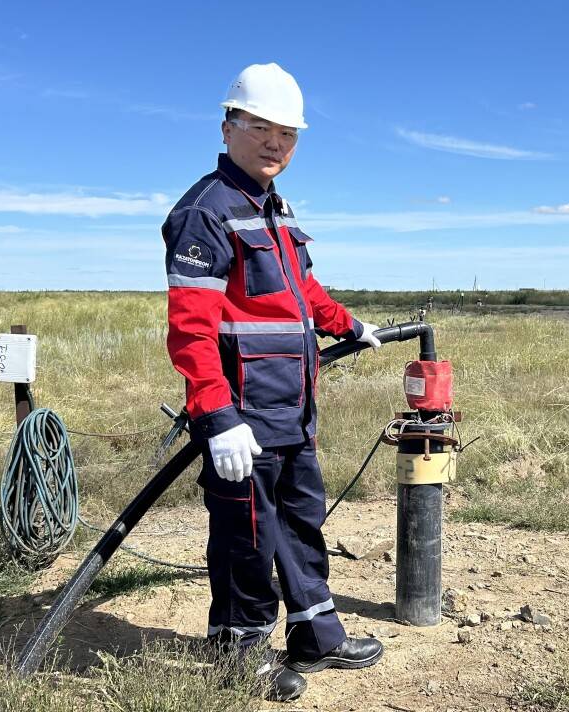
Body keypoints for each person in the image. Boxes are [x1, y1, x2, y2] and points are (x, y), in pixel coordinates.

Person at [160, 62, 384, 702]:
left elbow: (301, 290)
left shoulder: (275, 209)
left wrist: (348, 324)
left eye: (287, 133)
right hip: (242, 413)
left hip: (293, 406)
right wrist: (215, 414)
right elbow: (191, 330)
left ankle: (316, 632)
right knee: (247, 537)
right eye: (260, 126)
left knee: (302, 520)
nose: (274, 143)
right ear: (228, 126)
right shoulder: (205, 213)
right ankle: (240, 651)